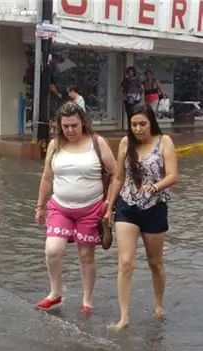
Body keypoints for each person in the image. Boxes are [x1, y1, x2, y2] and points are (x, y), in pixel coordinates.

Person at [35, 101, 117, 313]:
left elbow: (116, 173)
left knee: (86, 256)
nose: (70, 130)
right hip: (60, 206)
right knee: (53, 250)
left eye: (74, 125)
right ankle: (55, 293)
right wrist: (40, 206)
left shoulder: (97, 143)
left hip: (91, 208)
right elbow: (46, 177)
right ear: (59, 126)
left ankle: (87, 301)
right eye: (65, 126)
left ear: (83, 123)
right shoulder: (55, 145)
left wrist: (109, 203)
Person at [103, 104, 178, 330]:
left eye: (142, 124)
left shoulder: (164, 142)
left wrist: (155, 187)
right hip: (127, 206)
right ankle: (124, 317)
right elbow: (118, 178)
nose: (138, 128)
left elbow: (173, 175)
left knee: (155, 263)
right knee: (125, 263)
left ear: (151, 122)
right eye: (134, 124)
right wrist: (109, 206)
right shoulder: (126, 143)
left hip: (155, 207)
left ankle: (158, 304)